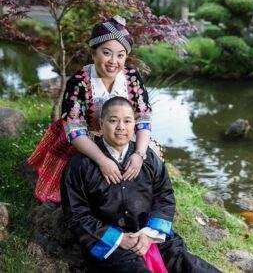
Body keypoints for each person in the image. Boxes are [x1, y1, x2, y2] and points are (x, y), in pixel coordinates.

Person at [61, 97, 220, 272]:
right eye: (113, 120)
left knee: (190, 266)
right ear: (101, 123)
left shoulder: (148, 159)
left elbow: (164, 196)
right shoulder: (80, 165)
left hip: (150, 235)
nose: (121, 127)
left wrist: (149, 234)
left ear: (135, 124)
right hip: (108, 243)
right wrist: (119, 239)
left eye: (127, 121)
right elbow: (77, 215)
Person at [27, 15, 155, 203]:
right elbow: (75, 129)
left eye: (120, 55)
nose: (113, 61)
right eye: (106, 53)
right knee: (87, 178)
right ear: (93, 53)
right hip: (86, 139)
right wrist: (102, 160)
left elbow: (143, 117)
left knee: (146, 163)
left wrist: (139, 154)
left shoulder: (132, 77)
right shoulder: (79, 82)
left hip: (123, 136)